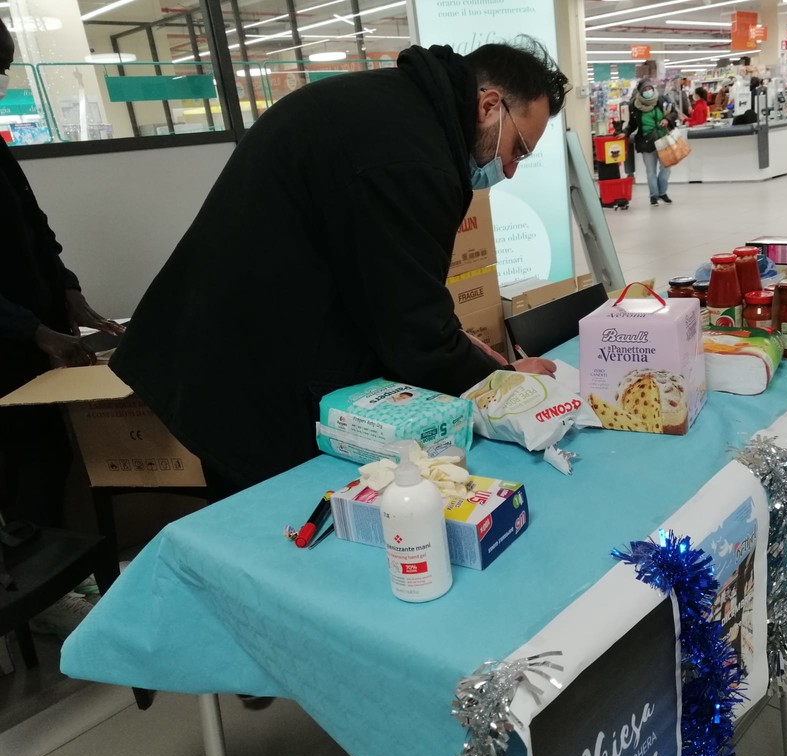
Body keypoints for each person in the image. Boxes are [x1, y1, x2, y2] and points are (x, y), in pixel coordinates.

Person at [110, 38, 569, 500]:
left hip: (254, 332)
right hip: (241, 366)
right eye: (518, 149)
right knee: (279, 515)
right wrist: (501, 381)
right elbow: (415, 333)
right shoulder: (410, 157)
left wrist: (454, 342)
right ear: (489, 106)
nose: (510, 170)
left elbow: (390, 290)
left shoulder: (399, 110)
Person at [0, 18, 123, 530]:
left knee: (51, 456)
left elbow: (34, 226)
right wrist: (31, 329)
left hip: (33, 338)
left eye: (4, 69)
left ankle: (54, 556)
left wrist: (66, 288)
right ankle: (34, 567)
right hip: (9, 347)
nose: (1, 83)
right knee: (24, 469)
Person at [623, 78, 676, 206]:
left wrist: (667, 119)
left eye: (650, 88)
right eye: (645, 89)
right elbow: (632, 124)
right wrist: (625, 132)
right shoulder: (634, 106)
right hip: (646, 141)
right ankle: (654, 196)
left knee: (666, 168)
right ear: (640, 92)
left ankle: (662, 192)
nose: (648, 91)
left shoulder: (661, 100)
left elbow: (673, 112)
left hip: (663, 138)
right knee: (650, 171)